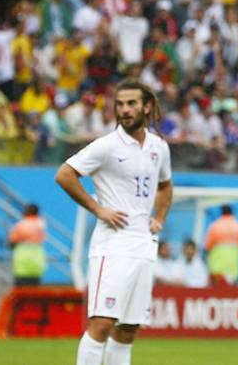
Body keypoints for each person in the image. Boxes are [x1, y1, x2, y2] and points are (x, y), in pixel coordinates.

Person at [55, 79, 173, 365]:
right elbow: (64, 174)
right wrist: (98, 209)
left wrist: (159, 218)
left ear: (146, 106)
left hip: (143, 244)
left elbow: (166, 185)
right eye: (119, 104)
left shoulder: (159, 147)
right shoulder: (106, 146)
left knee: (129, 329)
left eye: (131, 103)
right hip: (113, 245)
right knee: (102, 323)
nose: (125, 110)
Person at [204, 205, 238, 285]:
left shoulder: (215, 226)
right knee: (232, 295)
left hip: (217, 270)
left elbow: (207, 247)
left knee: (217, 296)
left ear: (221, 212)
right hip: (234, 270)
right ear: (232, 212)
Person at [8, 203, 47, 286]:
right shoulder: (41, 224)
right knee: (34, 292)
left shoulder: (21, 225)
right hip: (37, 261)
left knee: (20, 291)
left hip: (22, 262)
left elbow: (12, 241)